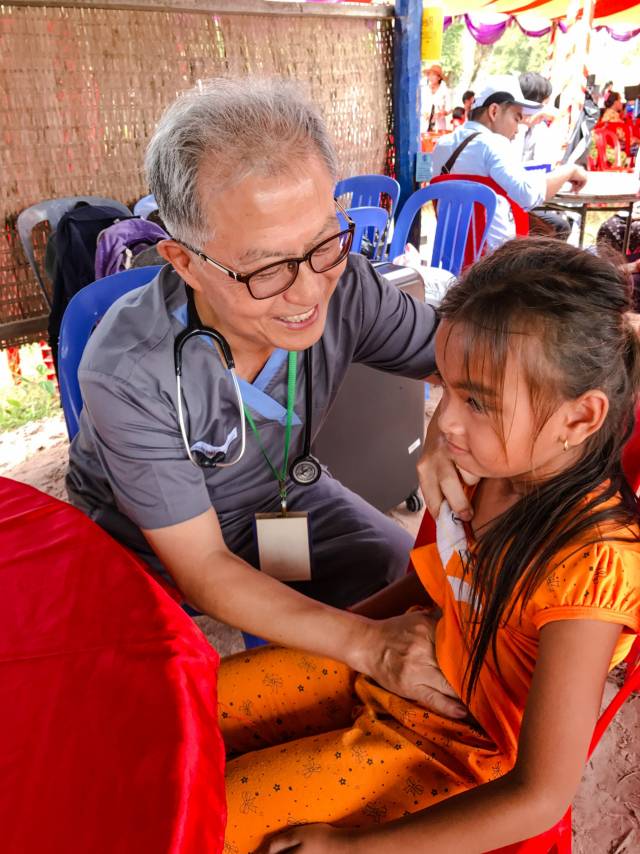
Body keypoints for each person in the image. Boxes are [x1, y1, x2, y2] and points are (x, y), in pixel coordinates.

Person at [218, 238, 640, 853]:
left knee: (219, 814)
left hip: (455, 754)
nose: (445, 423)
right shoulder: (488, 470)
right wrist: (338, 634)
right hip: (405, 662)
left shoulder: (591, 570)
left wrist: (353, 849)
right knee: (193, 702)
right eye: (444, 387)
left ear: (580, 419)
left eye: (476, 402)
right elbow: (431, 583)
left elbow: (541, 795)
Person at [66, 77, 461, 713]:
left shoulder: (349, 285)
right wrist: (368, 644)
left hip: (281, 493)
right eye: (266, 269)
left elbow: (466, 358)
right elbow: (202, 565)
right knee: (151, 710)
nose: (308, 293)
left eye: (323, 243)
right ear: (185, 261)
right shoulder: (128, 370)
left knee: (401, 576)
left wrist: (447, 429)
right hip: (143, 542)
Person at [431, 76, 588, 249]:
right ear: (494, 111)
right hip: (496, 258)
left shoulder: (442, 144)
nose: (517, 128)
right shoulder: (493, 144)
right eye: (516, 118)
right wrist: (570, 171)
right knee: (555, 231)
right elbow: (529, 196)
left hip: (452, 251)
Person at [420, 63, 451, 134]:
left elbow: (449, 108)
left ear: (439, 78)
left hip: (438, 126)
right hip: (423, 124)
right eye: (429, 75)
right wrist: (423, 113)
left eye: (433, 75)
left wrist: (442, 113)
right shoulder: (423, 90)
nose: (431, 77)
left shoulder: (444, 91)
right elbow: (417, 106)